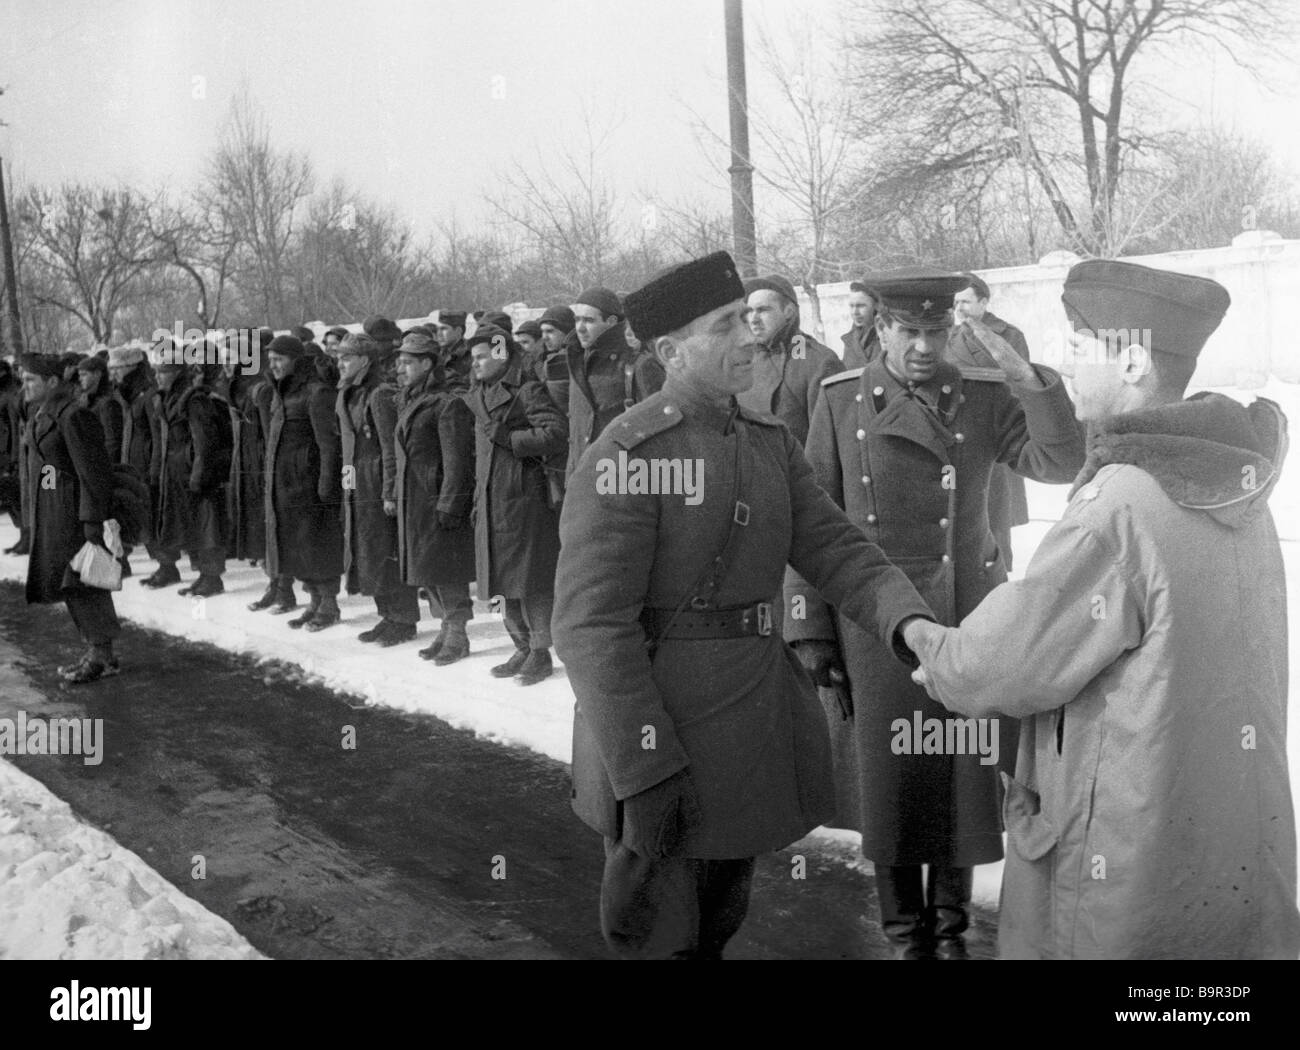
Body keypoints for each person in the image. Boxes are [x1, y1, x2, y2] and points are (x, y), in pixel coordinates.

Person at [909, 260, 1300, 960]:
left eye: (1080, 346)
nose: (1066, 362)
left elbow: (1001, 665)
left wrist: (923, 642)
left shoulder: (1121, 505)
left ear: (1131, 361)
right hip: (1228, 855)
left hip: (1120, 867)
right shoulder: (1240, 484)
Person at [552, 251, 937, 960]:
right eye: (725, 325)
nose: (750, 338)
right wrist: (644, 766)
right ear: (670, 351)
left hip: (748, 726)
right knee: (660, 935)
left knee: (718, 922)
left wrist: (910, 624)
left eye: (746, 321)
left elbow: (837, 549)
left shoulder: (766, 440)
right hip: (662, 732)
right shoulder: (627, 452)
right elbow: (590, 627)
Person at [784, 271, 1085, 960]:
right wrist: (808, 627)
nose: (922, 347)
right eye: (907, 332)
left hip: (965, 618)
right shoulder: (839, 402)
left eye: (934, 332)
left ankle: (950, 929)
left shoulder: (981, 396)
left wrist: (1032, 384)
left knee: (960, 776)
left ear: (951, 331)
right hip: (874, 625)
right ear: (881, 331)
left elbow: (1061, 459)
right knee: (891, 782)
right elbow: (811, 522)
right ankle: (902, 932)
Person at [465, 325, 567, 685]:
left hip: (523, 500)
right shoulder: (477, 394)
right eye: (472, 357)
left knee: (531, 582)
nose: (474, 364)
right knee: (500, 581)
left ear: (500, 354)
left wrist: (511, 438)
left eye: (481, 357)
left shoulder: (526, 389)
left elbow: (556, 434)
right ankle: (521, 646)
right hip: (491, 500)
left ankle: (539, 652)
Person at [21, 352, 122, 684]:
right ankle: (95, 651)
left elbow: (94, 472)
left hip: (77, 516)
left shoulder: (74, 416)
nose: (24, 385)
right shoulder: (44, 413)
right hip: (56, 511)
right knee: (72, 585)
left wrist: (93, 521)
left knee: (85, 582)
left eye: (30, 379)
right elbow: (52, 463)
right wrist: (48, 488)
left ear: (52, 382)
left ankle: (102, 656)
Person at [393, 332, 476, 664]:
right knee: (428, 570)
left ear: (427, 364)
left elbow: (457, 460)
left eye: (408, 362)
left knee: (446, 570)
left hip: (436, 501)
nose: (401, 368)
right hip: (416, 500)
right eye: (400, 362)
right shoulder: (410, 398)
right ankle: (445, 628)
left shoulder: (446, 403)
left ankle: (458, 635)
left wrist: (449, 503)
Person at [337, 331, 419, 646]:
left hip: (375, 485)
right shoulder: (348, 392)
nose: (340, 363)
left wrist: (390, 492)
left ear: (364, 360)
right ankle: (387, 616)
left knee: (386, 552)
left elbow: (390, 447)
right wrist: (347, 487)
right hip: (357, 484)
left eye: (346, 357)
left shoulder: (380, 394)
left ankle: (404, 620)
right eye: (340, 357)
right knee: (368, 553)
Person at [949, 272, 1033, 570]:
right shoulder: (949, 337)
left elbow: (1020, 385)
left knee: (997, 514)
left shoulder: (1009, 336)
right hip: (961, 436)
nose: (960, 308)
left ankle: (999, 577)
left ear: (984, 302)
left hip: (999, 434)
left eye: (967, 301)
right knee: (968, 515)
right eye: (956, 301)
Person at [264, 335, 345, 631]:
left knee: (318, 544)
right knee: (299, 546)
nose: (272, 365)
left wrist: (326, 485)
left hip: (310, 485)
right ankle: (313, 603)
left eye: (279, 359)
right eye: (270, 359)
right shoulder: (281, 392)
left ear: (296, 360)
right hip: (285, 484)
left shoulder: (316, 392)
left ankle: (329, 605)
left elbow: (328, 444)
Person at [150, 348, 232, 597]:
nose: (157, 377)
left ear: (176, 373)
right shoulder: (168, 397)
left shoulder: (194, 400)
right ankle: (203, 576)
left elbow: (204, 441)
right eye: (156, 372)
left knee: (208, 527)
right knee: (193, 526)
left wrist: (199, 474)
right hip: (179, 473)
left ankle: (212, 577)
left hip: (198, 474)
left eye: (162, 372)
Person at [565, 287, 664, 479]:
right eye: (577, 320)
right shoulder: (576, 361)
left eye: (588, 320)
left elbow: (660, 432)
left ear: (611, 322)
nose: (580, 328)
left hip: (622, 483)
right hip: (582, 480)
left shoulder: (638, 364)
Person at [738, 274, 844, 445]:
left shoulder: (819, 362)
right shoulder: (742, 360)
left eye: (763, 310)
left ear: (789, 312)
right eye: (750, 311)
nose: (754, 319)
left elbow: (827, 443)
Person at [75, 354, 124, 464]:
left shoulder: (108, 403)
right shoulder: (86, 400)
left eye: (84, 375)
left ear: (97, 374)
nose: (80, 379)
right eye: (79, 375)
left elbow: (112, 443)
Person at [841, 281, 880, 368]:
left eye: (861, 306)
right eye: (851, 306)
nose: (855, 312)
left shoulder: (886, 337)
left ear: (876, 305)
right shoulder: (849, 340)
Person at [434, 311, 472, 392]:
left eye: (444, 329)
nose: (439, 334)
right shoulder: (439, 354)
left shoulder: (471, 354)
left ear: (458, 331)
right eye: (437, 329)